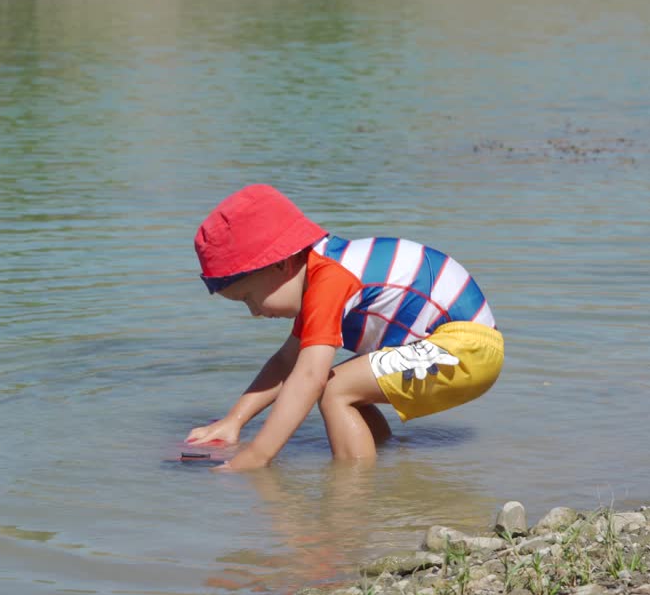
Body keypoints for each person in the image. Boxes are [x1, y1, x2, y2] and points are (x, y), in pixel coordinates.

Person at [187, 184, 504, 470]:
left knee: (333, 389)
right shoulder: (322, 270)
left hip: (467, 347)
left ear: (280, 264)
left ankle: (351, 497)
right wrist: (234, 421)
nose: (254, 312)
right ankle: (383, 464)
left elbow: (309, 378)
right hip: (460, 345)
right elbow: (286, 363)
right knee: (345, 388)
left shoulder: (330, 279)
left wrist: (256, 456)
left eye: (249, 298)